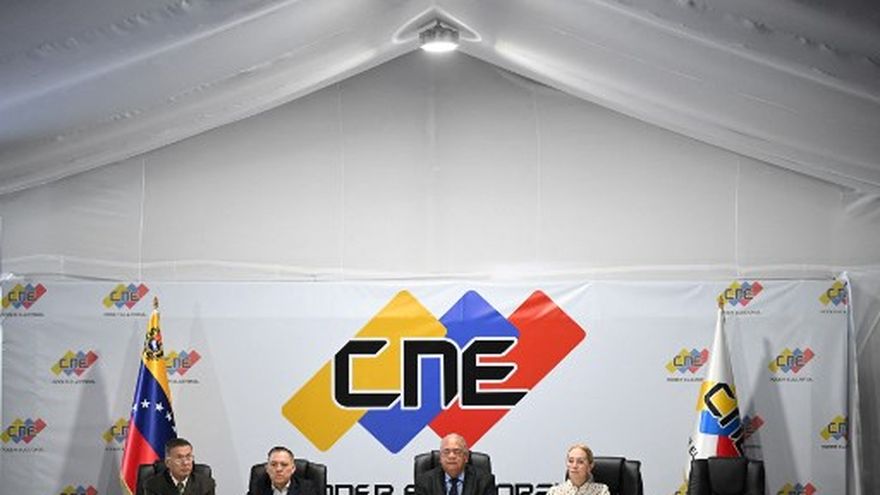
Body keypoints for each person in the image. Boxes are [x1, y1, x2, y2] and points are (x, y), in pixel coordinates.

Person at [414, 433, 496, 495]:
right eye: (446, 452)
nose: (451, 456)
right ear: (440, 458)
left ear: (466, 457)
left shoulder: (484, 481)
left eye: (457, 451)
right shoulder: (424, 482)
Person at [144, 437, 216, 495]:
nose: (185, 463)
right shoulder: (153, 485)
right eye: (179, 458)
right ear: (168, 463)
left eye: (188, 457)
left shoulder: (206, 484)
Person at [248, 446, 319, 495]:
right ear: (267, 468)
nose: (278, 469)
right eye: (273, 464)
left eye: (284, 465)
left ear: (293, 469)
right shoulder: (257, 488)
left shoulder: (307, 489)